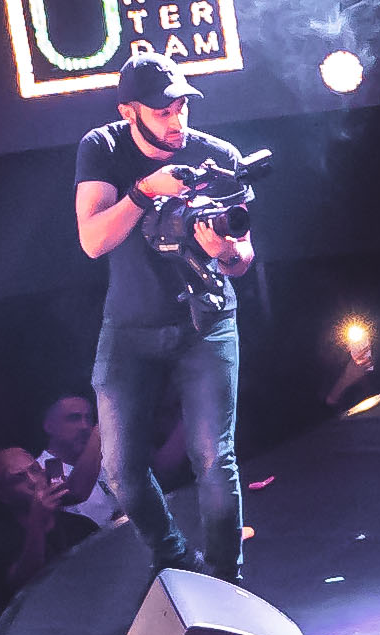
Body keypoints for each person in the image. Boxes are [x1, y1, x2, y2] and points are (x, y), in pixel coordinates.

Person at [73, 54, 253, 585]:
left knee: (214, 460)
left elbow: (243, 259)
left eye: (182, 108)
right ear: (129, 112)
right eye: (162, 111)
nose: (177, 121)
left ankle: (226, 579)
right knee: (120, 470)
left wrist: (223, 251)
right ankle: (175, 559)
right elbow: (93, 240)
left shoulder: (217, 156)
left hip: (206, 323)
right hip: (130, 327)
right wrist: (145, 191)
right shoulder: (103, 148)